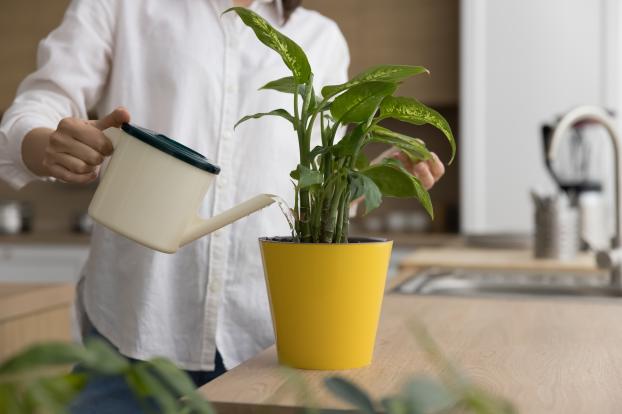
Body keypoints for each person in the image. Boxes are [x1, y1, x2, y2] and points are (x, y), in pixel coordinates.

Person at [0, 0, 445, 411]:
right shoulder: (123, 5)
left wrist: (370, 178)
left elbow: (313, 200)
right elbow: (38, 105)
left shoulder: (320, 37)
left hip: (265, 349)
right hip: (133, 338)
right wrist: (45, 143)